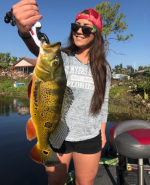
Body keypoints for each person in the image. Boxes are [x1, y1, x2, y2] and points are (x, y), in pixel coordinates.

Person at [13, 1, 111, 185]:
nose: (79, 31)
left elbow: (103, 101)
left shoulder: (104, 68)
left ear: (97, 34)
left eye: (87, 29)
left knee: (85, 183)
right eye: (76, 26)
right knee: (55, 181)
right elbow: (38, 49)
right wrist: (24, 33)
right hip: (57, 135)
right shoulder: (61, 57)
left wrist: (103, 132)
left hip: (89, 136)